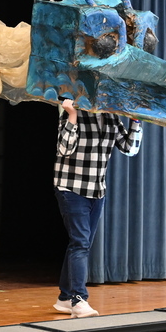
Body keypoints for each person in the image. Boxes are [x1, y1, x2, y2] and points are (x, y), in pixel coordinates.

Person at [52, 98, 142, 318]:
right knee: (80, 243)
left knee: (80, 244)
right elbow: (64, 148)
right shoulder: (73, 113)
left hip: (97, 190)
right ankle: (78, 299)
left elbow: (130, 149)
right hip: (70, 188)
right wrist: (72, 114)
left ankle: (64, 297)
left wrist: (136, 119)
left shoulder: (111, 116)